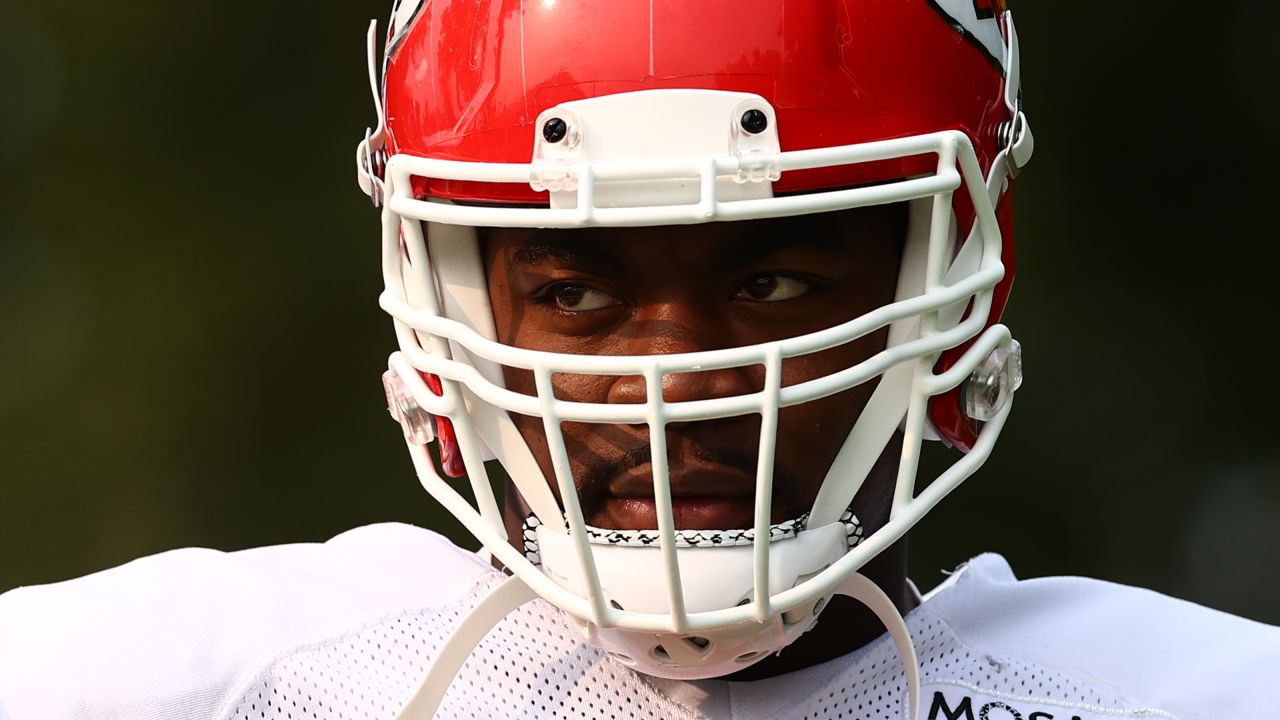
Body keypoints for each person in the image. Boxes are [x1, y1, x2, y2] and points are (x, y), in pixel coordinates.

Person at [1, 1, 1276, 719]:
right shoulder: (205, 680)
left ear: (947, 274)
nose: (672, 381)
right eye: (572, 290)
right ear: (440, 294)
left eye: (769, 281)